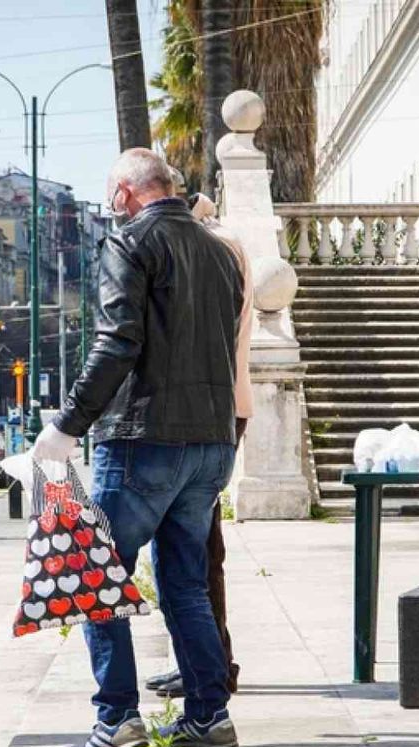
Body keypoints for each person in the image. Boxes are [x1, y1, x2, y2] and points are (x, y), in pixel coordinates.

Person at [32, 148, 244, 747]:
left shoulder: (129, 243)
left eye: (110, 194)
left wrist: (68, 425)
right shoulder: (220, 252)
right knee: (186, 585)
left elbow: (118, 340)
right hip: (210, 441)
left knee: (96, 577)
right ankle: (210, 715)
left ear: (127, 192)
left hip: (145, 438)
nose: (111, 205)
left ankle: (118, 716)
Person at [149, 191, 255, 700]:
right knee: (194, 547)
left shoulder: (214, 248)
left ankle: (212, 666)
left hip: (212, 409)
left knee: (198, 548)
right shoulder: (218, 245)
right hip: (220, 406)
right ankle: (202, 661)